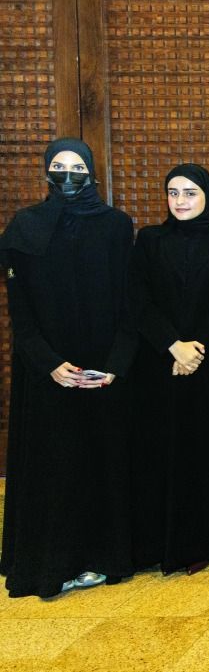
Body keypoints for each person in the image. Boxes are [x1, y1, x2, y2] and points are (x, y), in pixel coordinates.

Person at [0, 138, 137, 598]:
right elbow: (20, 312)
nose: (68, 175)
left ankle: (100, 559)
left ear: (92, 173)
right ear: (46, 172)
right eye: (58, 166)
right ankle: (52, 564)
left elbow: (129, 301)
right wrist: (50, 365)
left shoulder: (116, 226)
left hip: (101, 373)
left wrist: (115, 366)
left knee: (100, 465)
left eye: (77, 167)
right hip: (49, 373)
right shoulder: (25, 226)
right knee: (54, 469)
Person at [129, 164, 209, 575]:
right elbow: (138, 299)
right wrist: (173, 346)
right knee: (161, 455)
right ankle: (162, 544)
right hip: (159, 367)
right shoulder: (149, 241)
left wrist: (196, 349)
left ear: (207, 197)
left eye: (190, 192)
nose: (181, 201)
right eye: (174, 192)